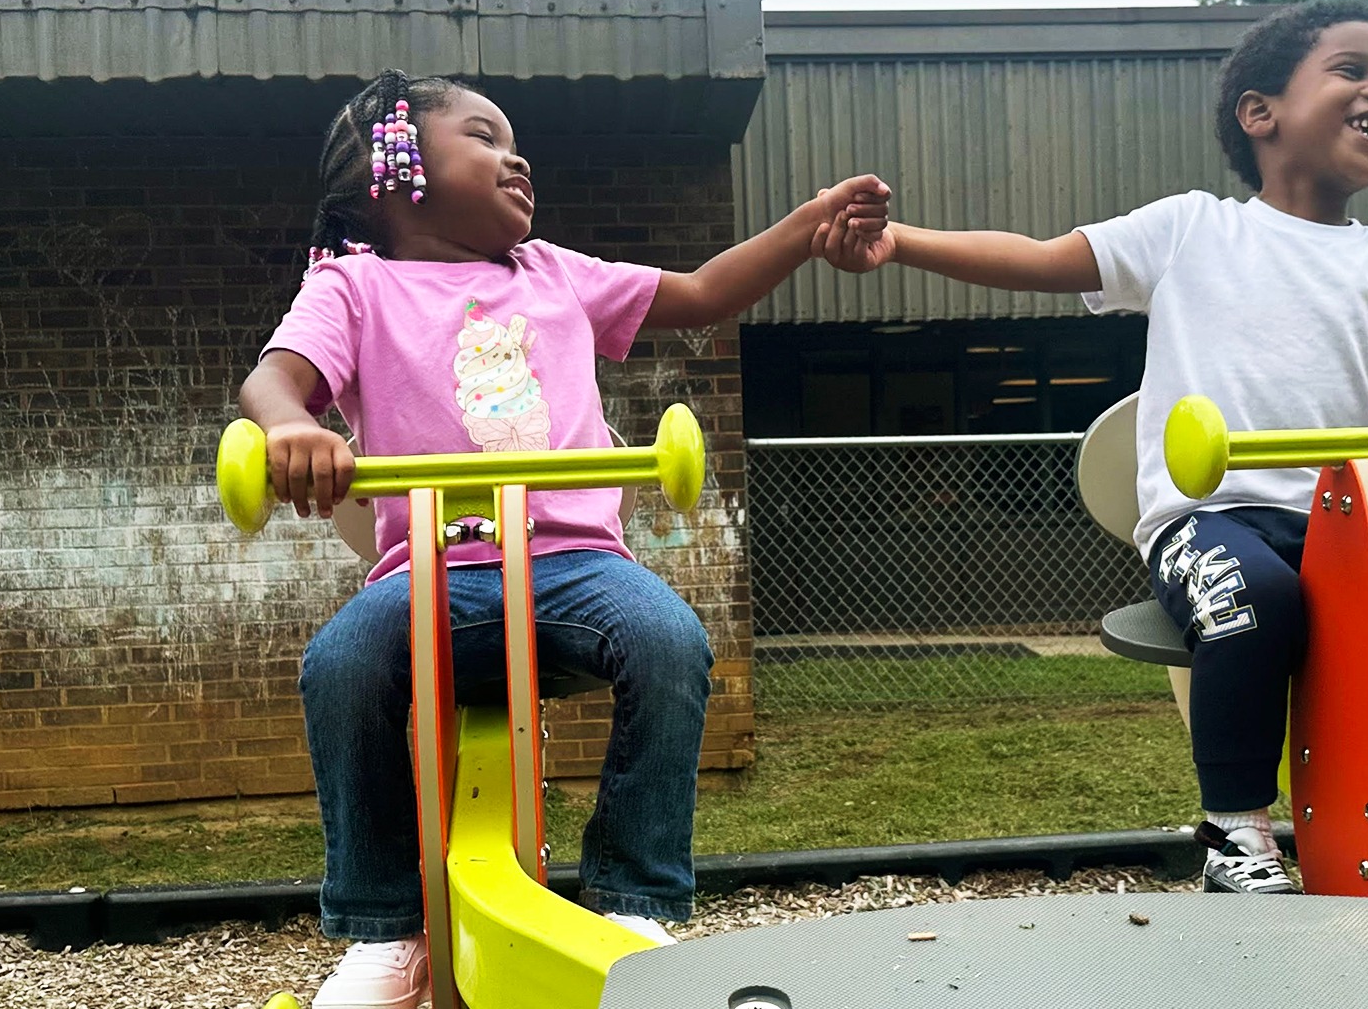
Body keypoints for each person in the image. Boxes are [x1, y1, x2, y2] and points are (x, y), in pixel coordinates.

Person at [813, 0, 1368, 951]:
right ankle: (1235, 830)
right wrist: (902, 245)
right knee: (1253, 600)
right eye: (1353, 71)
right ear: (1260, 113)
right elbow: (1043, 260)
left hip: (1350, 523)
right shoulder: (1194, 230)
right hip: (1214, 515)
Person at [239, 70, 890, 1009]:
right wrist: (290, 428)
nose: (518, 155)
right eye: (485, 136)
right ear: (400, 168)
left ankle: (634, 898)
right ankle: (386, 929)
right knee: (340, 665)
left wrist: (806, 224)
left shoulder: (552, 272)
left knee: (668, 642)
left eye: (515, 140)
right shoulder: (353, 286)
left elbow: (704, 292)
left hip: (575, 565)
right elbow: (274, 381)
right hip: (432, 571)